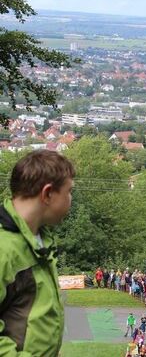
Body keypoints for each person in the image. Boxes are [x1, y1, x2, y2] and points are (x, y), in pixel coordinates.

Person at [0, 149, 75, 356]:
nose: (70, 199)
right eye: (69, 192)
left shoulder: (40, 240)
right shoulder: (4, 248)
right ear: (48, 193)